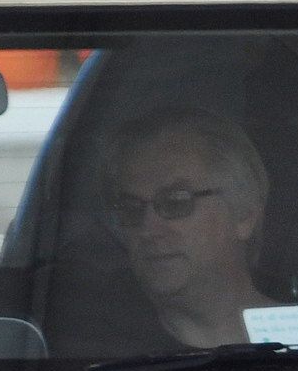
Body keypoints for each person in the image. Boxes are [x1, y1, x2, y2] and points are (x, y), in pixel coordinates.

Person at [104, 112, 280, 347]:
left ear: (244, 214)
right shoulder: (92, 350)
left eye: (176, 202)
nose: (148, 229)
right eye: (131, 209)